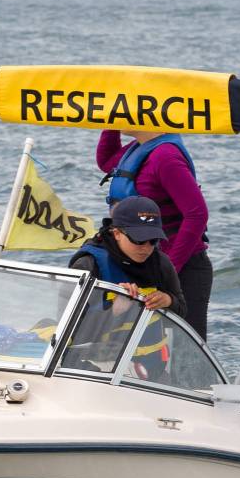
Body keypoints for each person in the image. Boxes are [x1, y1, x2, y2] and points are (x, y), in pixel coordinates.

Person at [96, 129, 211, 339]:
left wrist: (170, 271)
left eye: (126, 105)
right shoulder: (138, 149)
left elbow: (197, 214)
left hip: (182, 267)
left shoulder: (166, 157)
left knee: (185, 351)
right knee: (145, 345)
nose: (120, 109)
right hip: (145, 262)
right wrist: (110, 122)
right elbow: (106, 162)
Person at [69, 196, 187, 381]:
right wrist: (113, 312)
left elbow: (182, 309)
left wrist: (168, 300)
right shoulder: (88, 265)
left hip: (151, 371)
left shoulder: (161, 263)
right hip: (96, 370)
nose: (146, 248)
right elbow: (71, 331)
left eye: (152, 240)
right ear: (116, 233)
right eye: (138, 240)